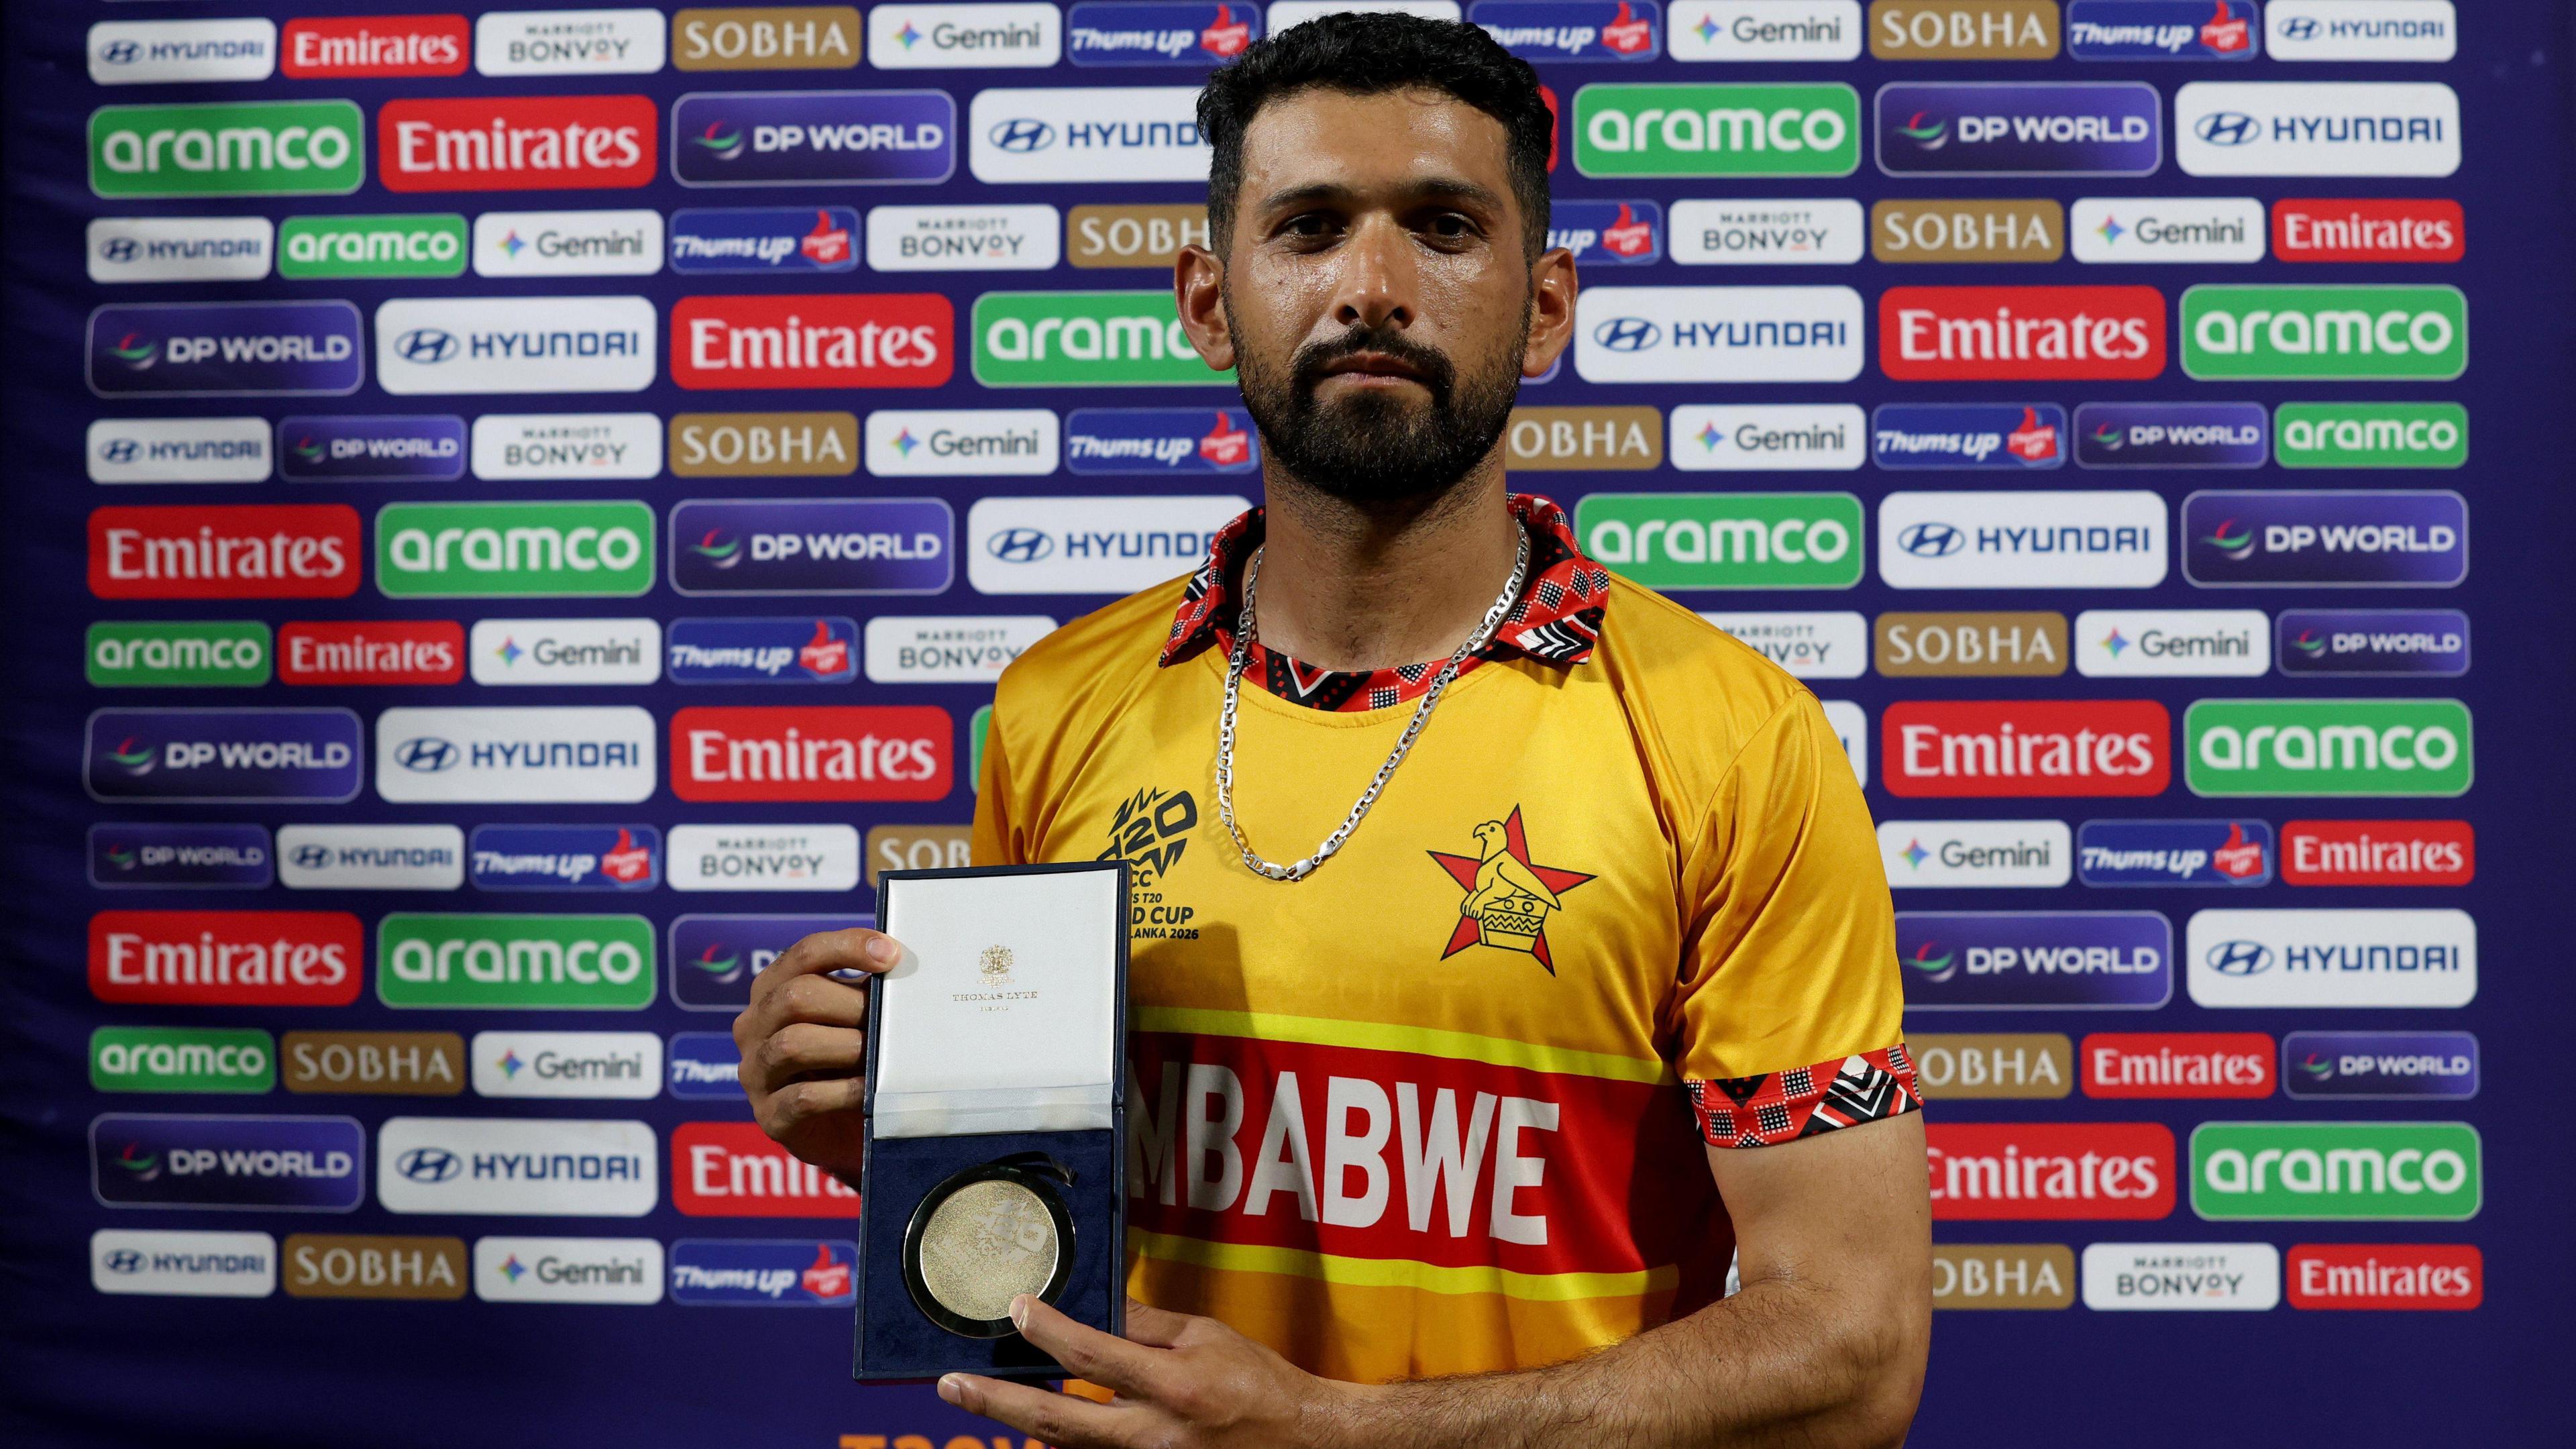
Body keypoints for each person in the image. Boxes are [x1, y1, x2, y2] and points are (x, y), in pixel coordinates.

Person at [734, 13, 1929, 1447]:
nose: (1373, 288)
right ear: (1209, 300)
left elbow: (1854, 1352)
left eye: (1444, 229)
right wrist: (890, 1138)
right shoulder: (1060, 704)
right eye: (1308, 229)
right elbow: (1051, 1233)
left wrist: (1340, 1433)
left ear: (1546, 304)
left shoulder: (1733, 740)